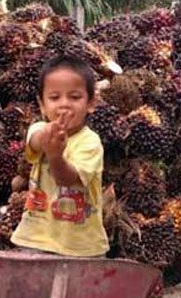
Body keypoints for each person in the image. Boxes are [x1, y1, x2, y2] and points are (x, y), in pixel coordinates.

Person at [10, 55, 109, 257]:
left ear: (91, 103)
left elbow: (67, 179)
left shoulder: (90, 142)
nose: (64, 105)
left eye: (74, 97)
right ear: (42, 104)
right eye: (54, 98)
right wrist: (48, 138)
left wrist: (55, 156)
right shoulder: (38, 129)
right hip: (35, 238)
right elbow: (35, 142)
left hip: (81, 247)